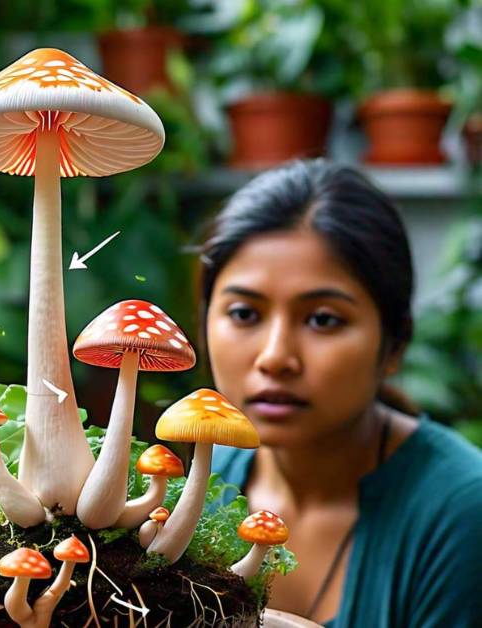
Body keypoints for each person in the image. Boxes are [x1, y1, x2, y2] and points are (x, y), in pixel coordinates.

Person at [199, 160, 482, 627]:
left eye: (323, 319)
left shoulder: (460, 513)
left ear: (394, 345)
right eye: (245, 313)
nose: (274, 357)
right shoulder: (203, 488)